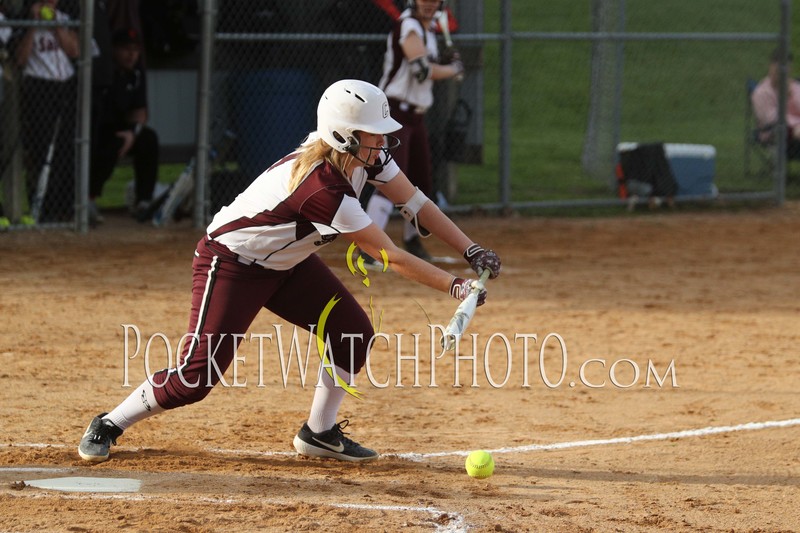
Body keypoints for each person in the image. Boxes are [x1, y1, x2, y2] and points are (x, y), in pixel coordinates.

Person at [77, 79, 501, 463]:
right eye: (375, 134)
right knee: (196, 379)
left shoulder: (361, 157)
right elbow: (388, 255)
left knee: (352, 331)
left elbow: (416, 204)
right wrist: (457, 286)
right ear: (346, 136)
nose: (384, 143)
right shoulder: (322, 189)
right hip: (232, 263)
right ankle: (110, 422)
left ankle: (318, 433)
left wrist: (471, 248)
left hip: (286, 263)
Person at [363, 0, 464, 263]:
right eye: (424, 1)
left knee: (421, 183)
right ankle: (367, 248)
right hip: (394, 114)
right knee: (389, 181)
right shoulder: (408, 26)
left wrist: (444, 62)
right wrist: (452, 69)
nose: (429, 5)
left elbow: (426, 64)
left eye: (434, 1)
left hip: (416, 116)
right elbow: (421, 71)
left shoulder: (426, 30)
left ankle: (412, 240)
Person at [13, 0, 79, 223]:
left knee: (65, 149)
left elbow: (75, 50)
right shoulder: (24, 18)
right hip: (39, 86)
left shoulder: (64, 18)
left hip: (65, 85)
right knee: (40, 149)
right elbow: (20, 58)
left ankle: (64, 209)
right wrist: (34, 23)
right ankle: (40, 208)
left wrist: (55, 26)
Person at [89, 28, 159, 222]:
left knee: (148, 139)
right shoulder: (105, 72)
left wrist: (133, 134)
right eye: (126, 49)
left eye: (135, 50)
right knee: (111, 144)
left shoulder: (136, 74)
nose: (131, 55)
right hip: (101, 129)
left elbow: (141, 113)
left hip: (125, 130)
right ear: (114, 50)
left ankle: (144, 200)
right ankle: (90, 197)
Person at [751, 48, 800, 159]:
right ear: (771, 67)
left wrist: (791, 95)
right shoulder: (761, 93)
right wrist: (796, 126)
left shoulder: (794, 86)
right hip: (775, 135)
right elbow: (772, 119)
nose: (781, 73)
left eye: (786, 69)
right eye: (778, 69)